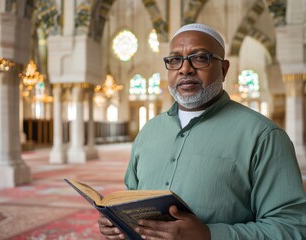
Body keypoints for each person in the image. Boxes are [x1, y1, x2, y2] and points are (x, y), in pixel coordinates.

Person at [98, 23, 306, 240]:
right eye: (175, 60)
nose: (185, 69)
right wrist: (117, 221)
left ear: (224, 69)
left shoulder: (263, 136)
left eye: (199, 58)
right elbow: (131, 202)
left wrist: (209, 235)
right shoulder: (149, 131)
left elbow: (292, 228)